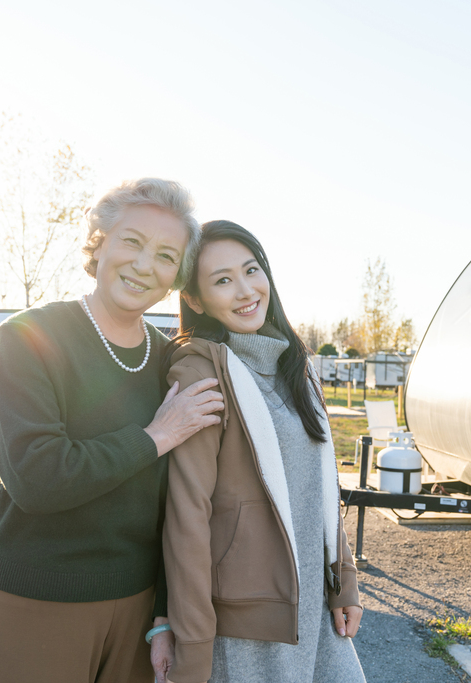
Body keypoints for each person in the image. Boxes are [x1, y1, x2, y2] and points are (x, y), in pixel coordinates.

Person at [0, 178, 224, 683]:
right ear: (99, 241)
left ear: (176, 276)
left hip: (136, 610)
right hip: (34, 597)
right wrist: (154, 437)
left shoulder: (173, 361)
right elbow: (38, 477)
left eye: (166, 255)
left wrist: (164, 614)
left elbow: (184, 503)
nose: (145, 265)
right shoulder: (28, 337)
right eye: (132, 241)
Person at [162, 220, 366, 683]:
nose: (244, 290)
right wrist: (192, 644)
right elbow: (187, 515)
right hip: (247, 620)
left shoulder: (297, 367)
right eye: (222, 280)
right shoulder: (200, 372)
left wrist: (345, 581)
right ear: (195, 299)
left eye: (251, 270)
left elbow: (321, 487)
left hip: (313, 603)